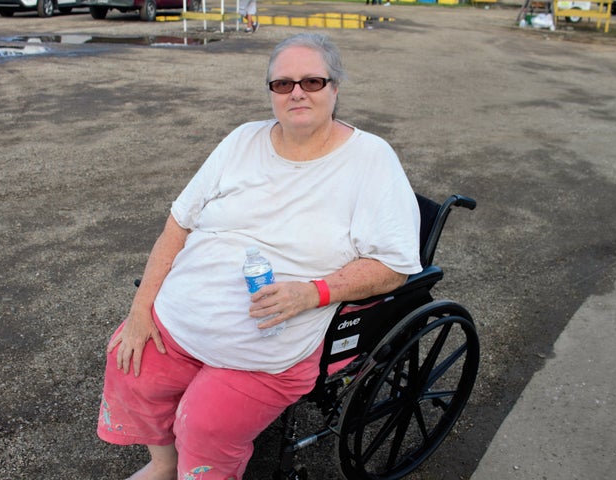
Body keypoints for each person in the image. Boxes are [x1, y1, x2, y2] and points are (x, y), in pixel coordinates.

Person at [97, 32, 422, 480]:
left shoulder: (370, 160)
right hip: (181, 319)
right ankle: (163, 467)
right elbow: (179, 223)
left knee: (202, 424)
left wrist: (313, 293)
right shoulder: (242, 140)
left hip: (265, 352)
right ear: (270, 92)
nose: (296, 93)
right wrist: (140, 310)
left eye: (312, 81)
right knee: (128, 362)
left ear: (335, 88)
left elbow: (393, 267)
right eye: (282, 84)